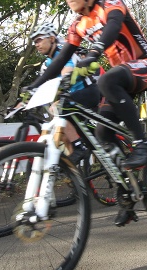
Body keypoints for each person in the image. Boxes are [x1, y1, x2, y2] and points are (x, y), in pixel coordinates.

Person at [24, 0, 147, 226]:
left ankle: (142, 144)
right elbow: (61, 59)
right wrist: (36, 84)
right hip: (120, 79)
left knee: (106, 79)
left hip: (145, 65)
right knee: (101, 135)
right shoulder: (77, 25)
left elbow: (113, 26)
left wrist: (96, 51)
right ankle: (128, 195)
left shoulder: (110, 2)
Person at [29, 21, 101, 165]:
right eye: (34, 42)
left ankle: (79, 147)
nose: (36, 44)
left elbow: (66, 71)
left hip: (87, 92)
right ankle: (74, 170)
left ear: (51, 38)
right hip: (72, 99)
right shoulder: (46, 65)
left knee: (58, 107)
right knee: (61, 132)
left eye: (39, 39)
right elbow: (41, 85)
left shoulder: (64, 52)